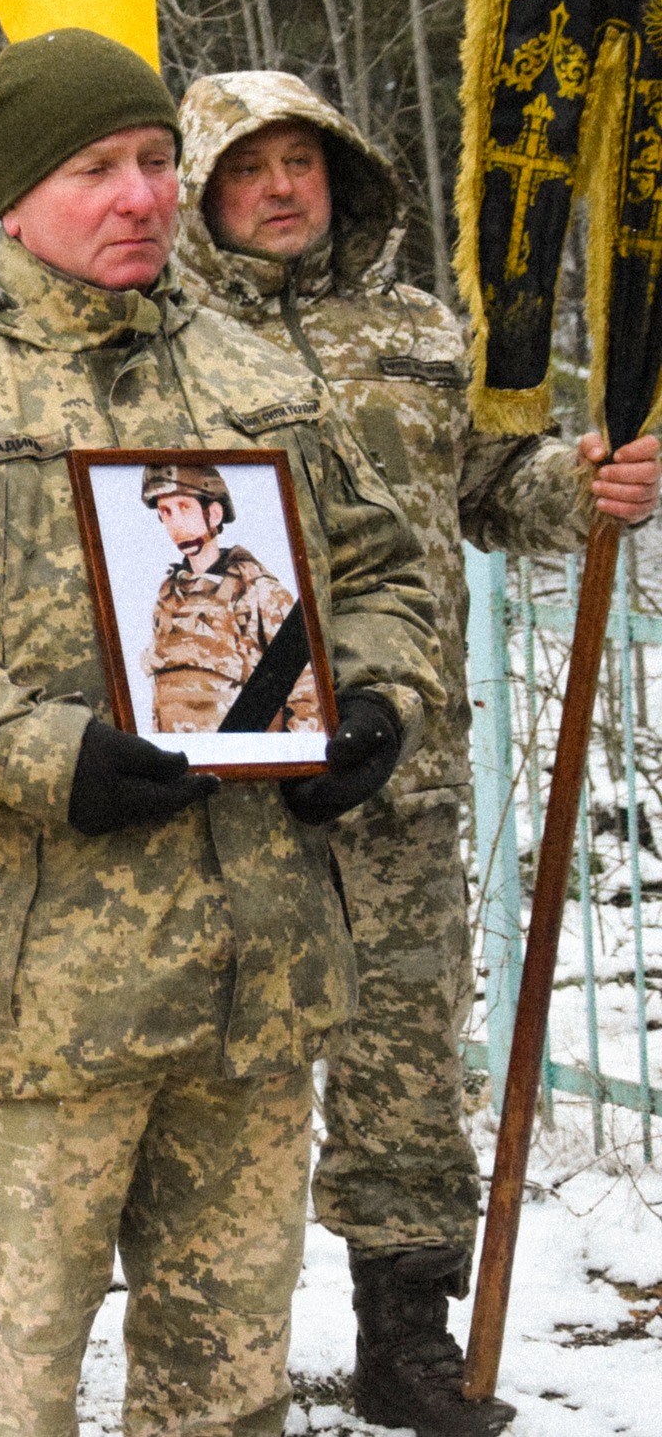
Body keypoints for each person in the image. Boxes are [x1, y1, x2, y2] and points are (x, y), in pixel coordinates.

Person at [0, 28, 445, 1437]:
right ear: (16, 197)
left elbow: (382, 569)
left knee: (226, 1395)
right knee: (12, 1400)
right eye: (93, 170)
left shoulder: (252, 370)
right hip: (35, 1010)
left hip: (253, 987)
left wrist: (377, 701)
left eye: (149, 162)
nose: (138, 195)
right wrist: (35, 749)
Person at [175, 70, 662, 1437]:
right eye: (250, 165)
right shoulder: (152, 333)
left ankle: (405, 1340)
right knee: (226, 1066)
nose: (281, 186)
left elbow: (496, 492)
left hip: (402, 764)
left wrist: (586, 479)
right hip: (213, 774)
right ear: (205, 186)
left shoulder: (420, 335)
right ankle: (215, 1348)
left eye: (304, 162)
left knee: (400, 1058)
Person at [139, 462, 322, 735]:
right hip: (180, 765)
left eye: (184, 508)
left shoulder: (260, 592)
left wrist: (291, 764)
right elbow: (161, 696)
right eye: (166, 511)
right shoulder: (169, 595)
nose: (175, 522)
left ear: (213, 513)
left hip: (251, 764)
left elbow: (307, 693)